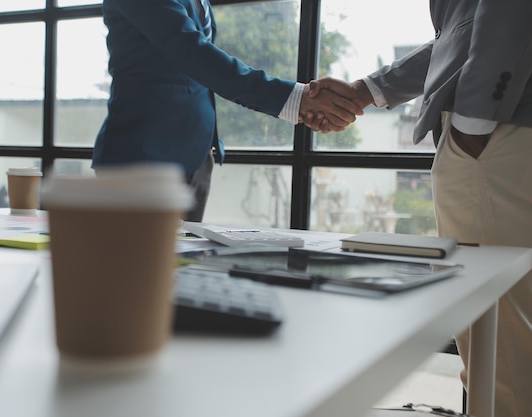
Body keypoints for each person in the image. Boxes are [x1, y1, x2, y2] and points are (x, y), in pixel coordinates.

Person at [306, 1, 532, 416]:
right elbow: (460, 35)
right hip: (506, 135)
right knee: (511, 326)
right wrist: (366, 90)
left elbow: (507, 15)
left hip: (498, 136)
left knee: (500, 340)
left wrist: (471, 128)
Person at [93, 0, 362, 221]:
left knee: (183, 272)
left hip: (196, 156)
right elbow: (194, 54)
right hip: (142, 159)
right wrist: (294, 98)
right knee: (135, 276)